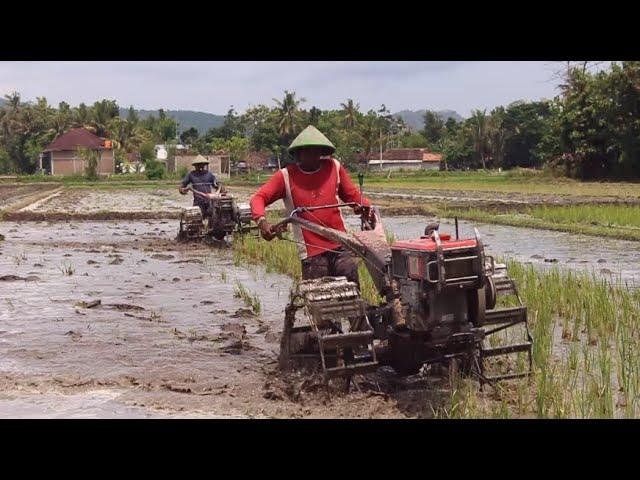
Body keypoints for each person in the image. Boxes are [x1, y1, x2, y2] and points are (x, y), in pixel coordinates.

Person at [250, 125, 373, 288]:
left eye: (317, 151)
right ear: (298, 154)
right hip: (312, 251)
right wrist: (262, 222)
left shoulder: (334, 167)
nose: (313, 156)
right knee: (319, 296)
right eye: (307, 151)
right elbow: (258, 198)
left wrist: (364, 206)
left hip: (340, 243)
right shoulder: (286, 176)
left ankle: (357, 314)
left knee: (351, 283)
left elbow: (353, 195)